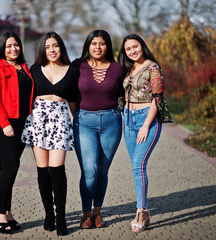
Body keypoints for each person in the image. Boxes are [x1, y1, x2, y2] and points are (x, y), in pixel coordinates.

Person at [21, 32, 79, 236]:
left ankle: (61, 217)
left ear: (61, 47)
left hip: (60, 121)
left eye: (55, 46)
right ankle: (49, 215)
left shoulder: (72, 71)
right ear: (42, 50)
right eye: (47, 47)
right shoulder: (35, 70)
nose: (52, 50)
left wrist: (78, 124)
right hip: (38, 121)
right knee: (42, 171)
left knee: (57, 171)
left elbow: (73, 100)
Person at [72, 29, 123, 229]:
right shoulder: (78, 66)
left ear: (108, 46)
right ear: (88, 45)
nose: (98, 47)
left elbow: (126, 91)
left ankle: (97, 213)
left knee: (103, 170)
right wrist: (74, 116)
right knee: (90, 170)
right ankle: (85, 214)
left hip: (111, 121)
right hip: (84, 121)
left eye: (102, 43)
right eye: (94, 43)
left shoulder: (117, 68)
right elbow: (70, 94)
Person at [0, 32, 34, 234]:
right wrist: (5, 125)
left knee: (7, 168)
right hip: (1, 124)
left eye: (16, 45)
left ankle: (6, 212)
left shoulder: (24, 68)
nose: (13, 49)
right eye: (8, 46)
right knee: (12, 165)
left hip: (21, 124)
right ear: (1, 48)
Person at [117, 34, 163, 233]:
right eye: (128, 49)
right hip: (128, 119)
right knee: (135, 167)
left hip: (147, 120)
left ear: (142, 46)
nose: (132, 51)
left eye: (135, 46)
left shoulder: (153, 68)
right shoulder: (128, 69)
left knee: (138, 166)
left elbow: (157, 98)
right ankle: (143, 210)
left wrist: (146, 125)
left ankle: (142, 212)